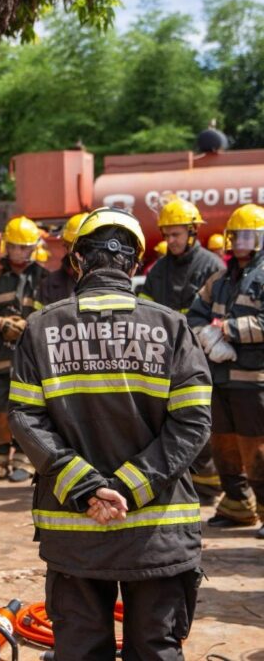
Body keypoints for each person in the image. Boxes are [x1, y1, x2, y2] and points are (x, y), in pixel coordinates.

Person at [9, 207, 212, 659]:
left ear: (78, 261)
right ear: (135, 264)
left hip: (75, 527)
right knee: (155, 648)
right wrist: (128, 487)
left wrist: (87, 489)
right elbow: (193, 423)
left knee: (81, 648)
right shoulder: (172, 326)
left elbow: (25, 418)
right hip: (157, 532)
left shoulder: (41, 328)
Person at [140, 197, 225, 504]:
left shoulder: (212, 266)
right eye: (167, 234)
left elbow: (218, 315)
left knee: (198, 421)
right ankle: (180, 483)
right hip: (163, 358)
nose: (170, 240)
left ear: (192, 232)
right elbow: (144, 309)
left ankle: (209, 488)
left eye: (176, 234)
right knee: (167, 423)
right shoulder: (159, 269)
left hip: (200, 358)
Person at [188, 204, 264, 538]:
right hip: (220, 377)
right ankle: (237, 505)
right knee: (223, 445)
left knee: (257, 448)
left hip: (254, 379)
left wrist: (228, 329)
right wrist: (205, 333)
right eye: (237, 236)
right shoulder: (218, 279)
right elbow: (195, 312)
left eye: (248, 236)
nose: (241, 242)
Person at [0, 216, 47, 481]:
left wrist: (29, 325)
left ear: (34, 248)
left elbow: (54, 316)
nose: (18, 252)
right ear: (6, 246)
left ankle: (25, 461)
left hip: (33, 361)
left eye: (24, 247)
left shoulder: (46, 280)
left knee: (31, 409)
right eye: (14, 246)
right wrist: (0, 323)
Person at [39, 213, 85, 305]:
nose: (78, 253)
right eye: (72, 246)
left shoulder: (107, 282)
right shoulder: (49, 284)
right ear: (66, 245)